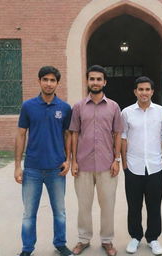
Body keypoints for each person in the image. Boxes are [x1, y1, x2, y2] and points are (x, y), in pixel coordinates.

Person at [14, 66, 72, 256]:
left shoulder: (64, 108)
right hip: (32, 169)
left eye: (52, 80)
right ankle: (27, 249)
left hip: (56, 169)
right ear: (39, 81)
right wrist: (17, 166)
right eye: (45, 79)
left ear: (57, 83)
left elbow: (67, 135)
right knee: (29, 214)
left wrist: (68, 159)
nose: (48, 83)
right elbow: (21, 135)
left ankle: (61, 244)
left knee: (60, 212)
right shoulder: (28, 106)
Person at [70, 65, 123, 256]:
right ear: (87, 81)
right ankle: (83, 239)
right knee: (84, 205)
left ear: (104, 82)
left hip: (107, 165)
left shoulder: (114, 107)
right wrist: (73, 161)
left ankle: (107, 240)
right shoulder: (78, 107)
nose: (95, 82)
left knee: (108, 205)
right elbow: (74, 134)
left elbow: (118, 134)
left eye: (99, 79)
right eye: (92, 79)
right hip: (83, 164)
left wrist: (116, 159)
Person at [121, 76, 162, 255]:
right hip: (133, 166)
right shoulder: (126, 112)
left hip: (156, 167)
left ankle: (153, 238)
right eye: (140, 89)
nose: (144, 93)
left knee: (154, 205)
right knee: (134, 206)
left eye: (147, 89)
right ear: (135, 92)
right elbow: (123, 138)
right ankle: (135, 237)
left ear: (152, 91)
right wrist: (124, 164)